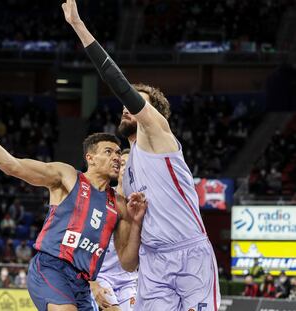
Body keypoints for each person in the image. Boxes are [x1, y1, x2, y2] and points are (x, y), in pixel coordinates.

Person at [62, 1, 220, 309]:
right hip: (152, 262)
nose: (125, 106)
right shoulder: (125, 168)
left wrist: (78, 26)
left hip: (189, 254)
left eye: (135, 103)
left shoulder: (160, 135)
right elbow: (128, 261)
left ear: (153, 114)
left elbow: (116, 80)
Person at [0, 98, 147, 311]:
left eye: (117, 153)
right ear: (90, 158)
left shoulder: (120, 205)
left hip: (83, 281)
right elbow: (12, 165)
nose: (116, 157)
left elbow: (129, 263)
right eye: (109, 152)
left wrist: (137, 223)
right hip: (51, 267)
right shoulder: (67, 177)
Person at [91, 150, 137, 311]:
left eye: (130, 164)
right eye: (122, 164)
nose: (125, 168)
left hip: (129, 280)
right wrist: (91, 282)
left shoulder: (144, 205)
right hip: (101, 275)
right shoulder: (102, 198)